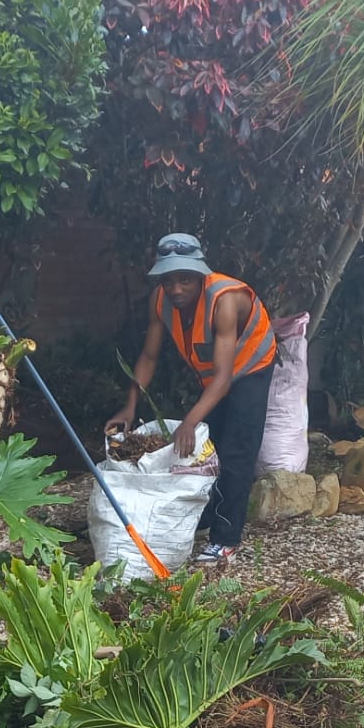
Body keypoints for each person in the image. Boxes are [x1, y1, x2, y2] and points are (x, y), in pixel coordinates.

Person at [105, 232, 277, 565]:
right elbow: (149, 357)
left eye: (185, 279)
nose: (176, 289)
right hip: (216, 375)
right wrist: (130, 405)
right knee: (207, 447)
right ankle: (207, 515)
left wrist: (189, 421)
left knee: (236, 451)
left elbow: (225, 378)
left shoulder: (225, 301)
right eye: (168, 280)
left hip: (251, 365)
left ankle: (225, 540)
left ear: (200, 275)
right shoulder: (160, 301)